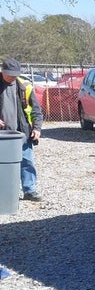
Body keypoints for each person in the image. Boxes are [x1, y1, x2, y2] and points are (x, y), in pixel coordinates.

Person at [0, 58, 44, 202]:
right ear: (3, 71)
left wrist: (37, 128)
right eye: (9, 74)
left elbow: (36, 110)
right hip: (2, 135)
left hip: (22, 133)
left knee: (27, 161)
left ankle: (29, 191)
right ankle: (5, 193)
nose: (12, 77)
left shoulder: (25, 86)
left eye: (15, 74)